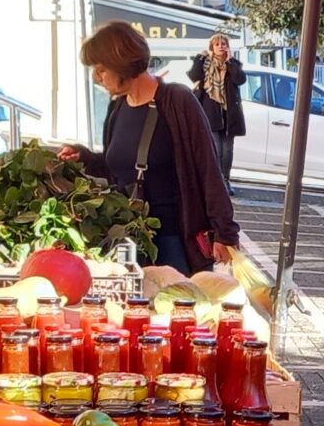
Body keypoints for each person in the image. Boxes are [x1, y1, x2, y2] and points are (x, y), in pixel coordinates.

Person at [71, 21, 238, 274]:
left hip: (174, 242)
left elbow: (208, 169)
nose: (97, 78)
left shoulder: (177, 100)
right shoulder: (117, 107)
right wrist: (84, 158)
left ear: (121, 63)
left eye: (102, 69)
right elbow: (118, 168)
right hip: (128, 241)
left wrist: (224, 232)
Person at [194, 34, 247, 179]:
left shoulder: (234, 64)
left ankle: (226, 179)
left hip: (229, 113)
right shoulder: (205, 63)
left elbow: (239, 79)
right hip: (211, 111)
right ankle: (216, 180)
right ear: (212, 46)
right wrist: (199, 58)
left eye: (223, 44)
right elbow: (194, 75)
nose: (220, 47)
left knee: (228, 149)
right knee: (216, 147)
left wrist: (229, 61)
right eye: (217, 44)